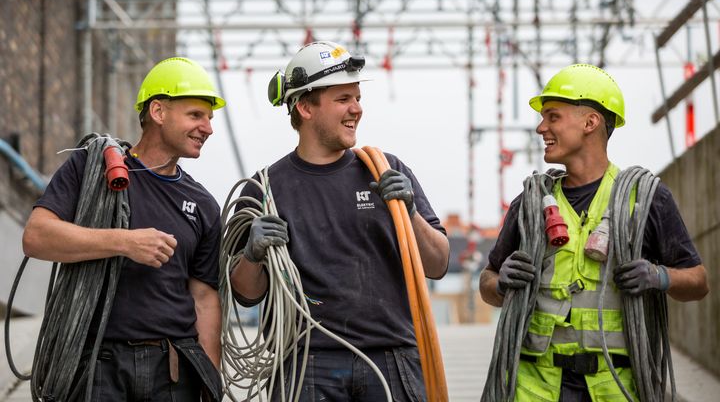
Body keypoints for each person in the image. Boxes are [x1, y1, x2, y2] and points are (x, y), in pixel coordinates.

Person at [229, 40, 450, 401]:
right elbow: (246, 294)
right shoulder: (265, 190)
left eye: (358, 97)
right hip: (305, 364)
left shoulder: (384, 170)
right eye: (343, 99)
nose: (357, 109)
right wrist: (252, 254)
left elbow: (438, 263)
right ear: (305, 106)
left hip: (391, 359)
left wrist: (408, 212)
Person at [479, 63, 709, 401]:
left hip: (615, 386)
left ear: (591, 122)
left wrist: (659, 277)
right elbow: (487, 283)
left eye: (553, 117)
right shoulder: (530, 203)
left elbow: (698, 282)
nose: (541, 127)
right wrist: (499, 283)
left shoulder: (644, 199)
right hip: (534, 386)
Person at [23, 57, 224, 401]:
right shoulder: (92, 168)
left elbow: (205, 300)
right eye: (195, 115)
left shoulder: (203, 204)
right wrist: (124, 241)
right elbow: (37, 237)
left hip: (173, 371)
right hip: (96, 367)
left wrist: (210, 383)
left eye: (209, 118)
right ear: (158, 112)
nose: (207, 128)